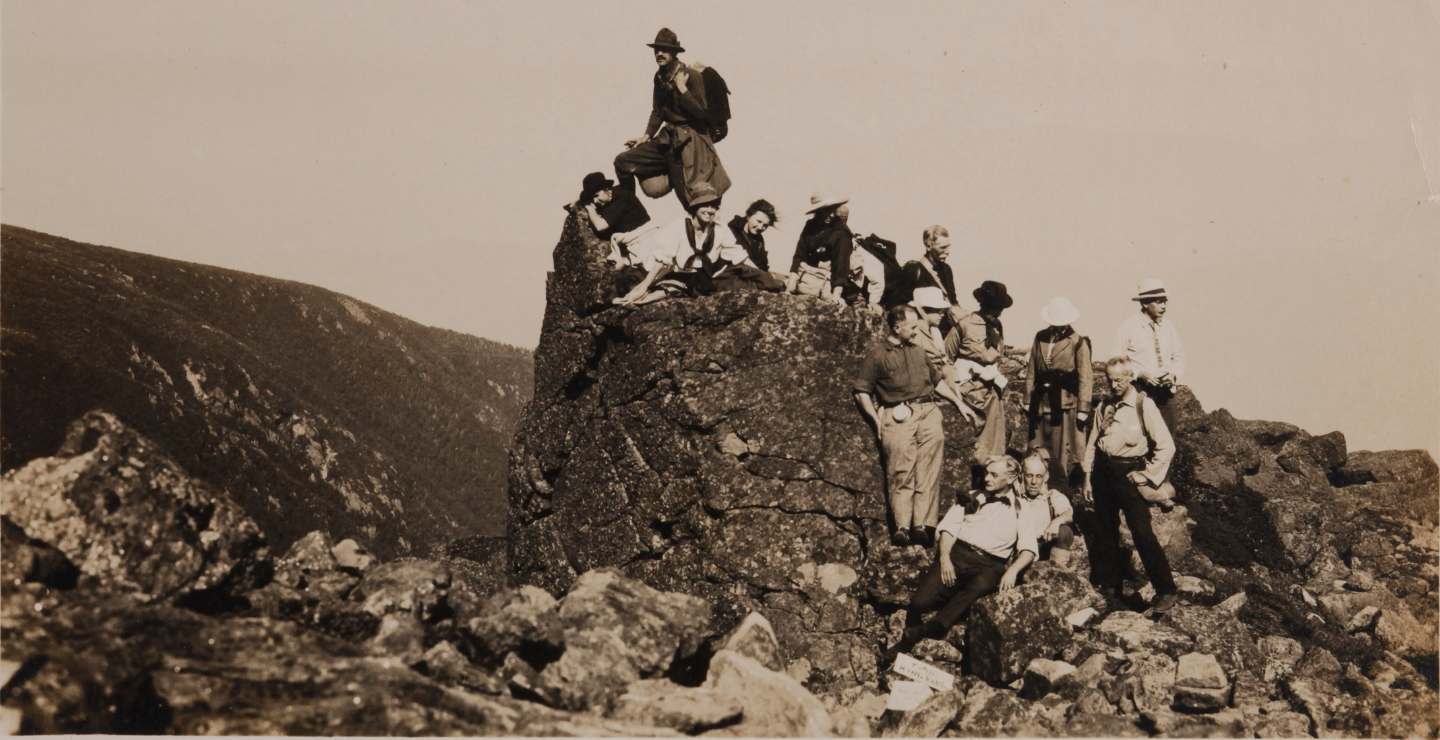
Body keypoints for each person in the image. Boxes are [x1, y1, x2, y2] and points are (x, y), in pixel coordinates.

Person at [883, 455, 1039, 663]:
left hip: (989, 564)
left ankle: (917, 637)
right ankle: (916, 637)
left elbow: (1028, 549)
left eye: (994, 474)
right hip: (957, 555)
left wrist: (1013, 571)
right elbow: (948, 529)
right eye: (986, 473)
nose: (987, 478)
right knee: (920, 602)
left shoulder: (1022, 509)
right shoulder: (972, 497)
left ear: (1010, 478)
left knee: (983, 585)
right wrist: (945, 558)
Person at [853, 305, 974, 548]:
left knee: (928, 472)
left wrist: (959, 403)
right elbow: (861, 392)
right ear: (897, 328)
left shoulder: (918, 351)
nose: (916, 331)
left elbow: (936, 381)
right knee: (900, 471)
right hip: (898, 416)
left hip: (928, 412)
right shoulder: (877, 355)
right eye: (912, 327)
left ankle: (922, 526)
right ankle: (902, 528)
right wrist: (877, 421)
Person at [1081, 357, 1179, 613]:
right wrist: (1088, 478)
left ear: (1129, 376)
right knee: (1105, 531)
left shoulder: (1142, 404)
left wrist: (1146, 475)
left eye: (1119, 379)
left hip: (1129, 472)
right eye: (1110, 380)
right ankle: (1110, 590)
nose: (1114, 385)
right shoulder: (1104, 405)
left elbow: (1167, 446)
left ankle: (1166, 591)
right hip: (1103, 472)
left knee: (1142, 532)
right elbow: (1093, 442)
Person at [612, 28, 730, 210]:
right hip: (667, 139)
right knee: (623, 161)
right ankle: (628, 209)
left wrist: (682, 88)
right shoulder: (659, 76)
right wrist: (646, 136)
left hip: (688, 143)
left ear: (675, 52)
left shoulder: (692, 75)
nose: (659, 53)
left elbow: (701, 112)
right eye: (656, 50)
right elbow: (658, 112)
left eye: (664, 49)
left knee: (691, 200)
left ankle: (707, 233)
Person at [613, 184, 757, 305]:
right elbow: (661, 260)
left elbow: (739, 256)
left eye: (713, 206)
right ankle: (636, 299)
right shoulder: (678, 227)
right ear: (695, 206)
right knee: (646, 288)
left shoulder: (720, 229)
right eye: (705, 205)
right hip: (672, 273)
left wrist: (759, 272)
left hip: (699, 276)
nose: (710, 210)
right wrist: (644, 286)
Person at [1025, 297, 1093, 493]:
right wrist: (1027, 400)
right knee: (1036, 447)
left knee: (1060, 451)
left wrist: (1083, 409)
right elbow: (1032, 369)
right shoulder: (1040, 337)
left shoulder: (1077, 342)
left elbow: (1086, 377)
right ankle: (1034, 489)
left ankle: (1059, 491)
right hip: (1040, 401)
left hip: (1063, 403)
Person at [945, 281, 1013, 466]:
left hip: (992, 393)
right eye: (993, 308)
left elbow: (998, 355)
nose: (997, 312)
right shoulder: (964, 325)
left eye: (1000, 308)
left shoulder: (997, 326)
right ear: (983, 305)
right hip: (970, 393)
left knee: (995, 445)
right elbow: (946, 357)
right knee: (973, 447)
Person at [1112, 279, 1186, 431]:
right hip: (1140, 392)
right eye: (1159, 302)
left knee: (1167, 442)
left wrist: (1173, 375)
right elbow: (1116, 360)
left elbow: (1179, 356)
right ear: (1145, 304)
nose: (1164, 306)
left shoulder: (1168, 327)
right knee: (1140, 438)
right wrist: (1139, 374)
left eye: (1165, 302)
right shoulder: (1128, 326)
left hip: (1166, 394)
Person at [788, 192, 854, 305]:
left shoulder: (841, 233)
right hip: (806, 281)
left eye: (834, 210)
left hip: (828, 285)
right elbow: (799, 256)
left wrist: (836, 295)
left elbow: (841, 266)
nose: (832, 215)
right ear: (817, 211)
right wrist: (788, 289)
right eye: (827, 210)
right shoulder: (810, 225)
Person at [1020, 452, 1076, 567]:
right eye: (1029, 476)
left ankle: (1057, 570)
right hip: (1020, 547)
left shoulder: (1052, 496)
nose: (1034, 482)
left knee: (1064, 531)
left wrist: (1056, 522)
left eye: (1039, 476)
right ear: (1022, 476)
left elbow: (1067, 514)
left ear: (1046, 477)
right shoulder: (1015, 498)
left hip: (1043, 546)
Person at [899, 225, 960, 316]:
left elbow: (952, 300)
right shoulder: (913, 270)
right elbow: (902, 304)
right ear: (928, 246)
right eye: (943, 247)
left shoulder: (946, 269)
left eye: (948, 246)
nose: (948, 251)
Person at [575, 172, 651, 241]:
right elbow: (573, 204)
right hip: (637, 239)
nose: (595, 201)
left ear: (606, 188)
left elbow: (600, 226)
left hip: (646, 238)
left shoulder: (621, 197)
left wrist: (589, 207)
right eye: (592, 198)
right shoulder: (609, 198)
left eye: (596, 195)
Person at [727, 200, 777, 271]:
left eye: (765, 225)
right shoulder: (732, 231)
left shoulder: (759, 240)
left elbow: (763, 265)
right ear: (748, 216)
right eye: (759, 221)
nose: (760, 227)